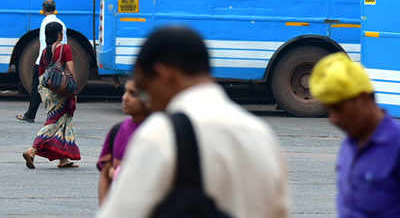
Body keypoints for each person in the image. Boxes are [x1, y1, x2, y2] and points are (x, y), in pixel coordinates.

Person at [97, 26, 289, 218]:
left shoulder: (161, 134)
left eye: (143, 86)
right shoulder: (261, 134)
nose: (146, 99)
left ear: (164, 73)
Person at [309, 52, 400, 217]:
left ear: (362, 98)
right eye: (328, 110)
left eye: (337, 109)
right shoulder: (348, 146)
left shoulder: (396, 145)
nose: (333, 119)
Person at [22, 22, 80, 169]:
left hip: (48, 91)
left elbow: (41, 74)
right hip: (61, 91)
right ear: (60, 34)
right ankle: (32, 149)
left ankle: (63, 159)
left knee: (64, 121)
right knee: (54, 122)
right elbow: (71, 70)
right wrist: (74, 89)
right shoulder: (64, 48)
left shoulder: (45, 51)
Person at [97, 76, 151, 205]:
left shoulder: (163, 132)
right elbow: (105, 173)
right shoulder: (117, 130)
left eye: (133, 94)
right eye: (125, 92)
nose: (125, 98)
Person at [16, 0, 67, 123]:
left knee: (37, 88)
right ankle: (58, 115)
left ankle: (30, 115)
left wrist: (41, 61)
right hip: (58, 61)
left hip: (44, 62)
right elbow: (64, 44)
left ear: (43, 9)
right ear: (54, 9)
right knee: (56, 89)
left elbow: (44, 44)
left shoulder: (45, 23)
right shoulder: (61, 23)